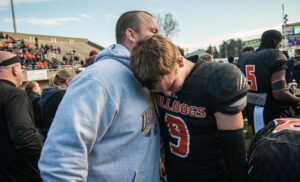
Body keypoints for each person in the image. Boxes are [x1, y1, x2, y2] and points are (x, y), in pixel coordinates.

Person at [39, 10, 160, 181]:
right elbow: (61, 157)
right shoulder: (98, 79)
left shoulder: (144, 75)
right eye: (154, 31)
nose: (160, 38)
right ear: (131, 34)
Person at [131, 34, 248, 182]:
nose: (167, 93)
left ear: (179, 61)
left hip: (213, 176)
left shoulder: (217, 79)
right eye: (159, 91)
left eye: (171, 84)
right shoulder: (156, 81)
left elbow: (235, 155)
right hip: (174, 173)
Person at [238, 29, 300, 134]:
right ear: (276, 42)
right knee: (274, 146)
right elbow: (279, 93)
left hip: (250, 108)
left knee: (258, 144)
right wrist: (296, 100)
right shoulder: (274, 55)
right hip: (271, 110)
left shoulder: (244, 56)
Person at [0, 51, 43, 181]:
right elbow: (26, 140)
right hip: (20, 174)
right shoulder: (14, 94)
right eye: (22, 69)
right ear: (15, 69)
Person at [38, 69, 76, 139]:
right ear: (68, 81)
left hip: (47, 137)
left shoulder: (47, 95)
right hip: (60, 138)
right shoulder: (62, 95)